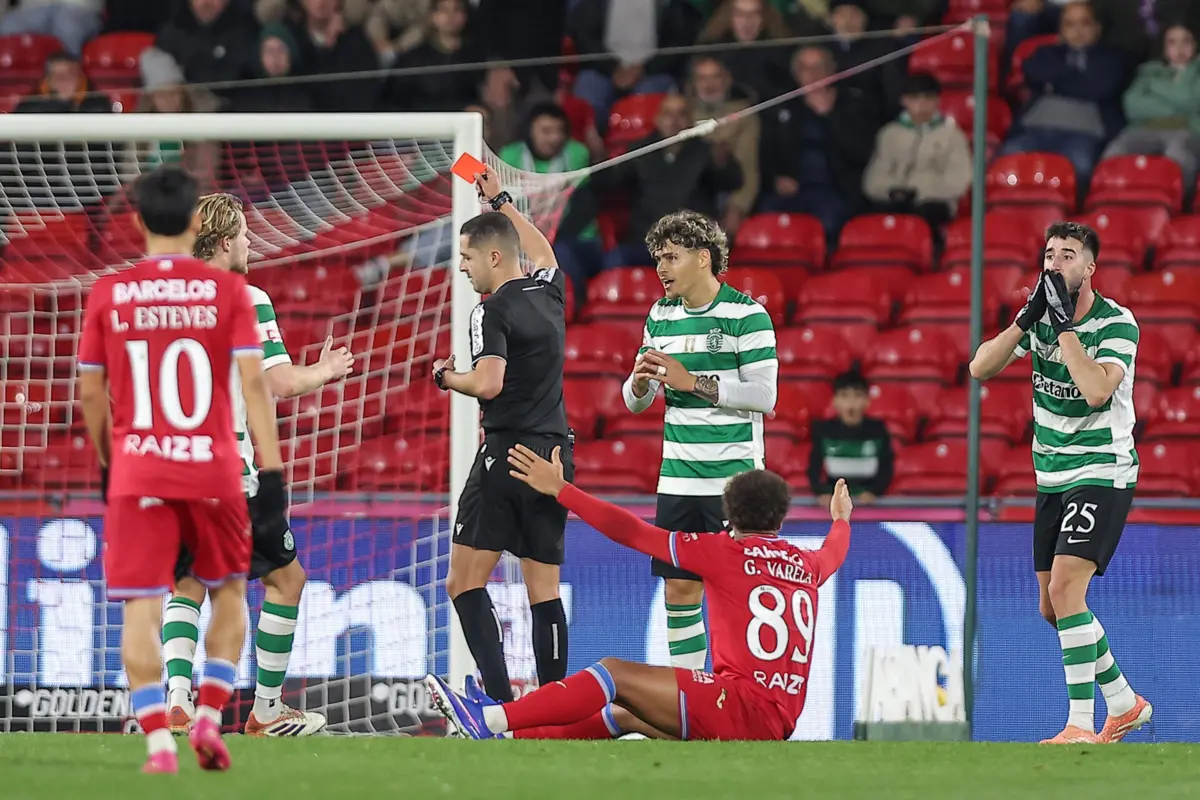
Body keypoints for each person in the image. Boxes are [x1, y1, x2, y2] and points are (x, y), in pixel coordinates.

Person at [76, 165, 284, 773]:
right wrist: (269, 474)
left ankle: (161, 743)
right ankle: (213, 720)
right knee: (229, 594)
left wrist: (110, 462)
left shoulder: (110, 293)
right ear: (197, 222)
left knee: (146, 605)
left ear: (138, 221)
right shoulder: (229, 294)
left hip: (141, 469)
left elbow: (92, 393)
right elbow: (255, 385)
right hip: (215, 468)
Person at [426, 458, 853, 741]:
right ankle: (513, 735)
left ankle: (490, 720)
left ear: (731, 516)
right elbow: (836, 549)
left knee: (614, 674)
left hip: (740, 706)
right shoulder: (805, 563)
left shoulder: (723, 551)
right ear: (779, 516)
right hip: (777, 720)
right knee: (629, 711)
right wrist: (841, 520)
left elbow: (630, 531)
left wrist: (563, 491)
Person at [162, 193, 354, 737]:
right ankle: (266, 711)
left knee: (187, 582)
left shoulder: (166, 301)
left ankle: (177, 697)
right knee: (286, 581)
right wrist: (324, 369)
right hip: (233, 473)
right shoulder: (246, 297)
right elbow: (278, 382)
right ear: (224, 243)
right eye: (245, 236)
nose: (251, 244)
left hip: (177, 467)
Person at [969, 221, 1151, 744]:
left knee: (1067, 588)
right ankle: (1124, 701)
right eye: (1049, 254)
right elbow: (979, 367)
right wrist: (1027, 319)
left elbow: (1095, 390)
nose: (1054, 263)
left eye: (1068, 255)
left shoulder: (1117, 323)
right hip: (1051, 475)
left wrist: (1063, 328)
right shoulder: (1039, 321)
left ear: (1090, 268)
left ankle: (1079, 724)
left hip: (1102, 469)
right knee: (1052, 607)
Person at [433, 168, 572, 702]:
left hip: (505, 457)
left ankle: (499, 704)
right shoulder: (549, 293)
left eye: (467, 258)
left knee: (463, 583)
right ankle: (556, 708)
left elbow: (488, 383)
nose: (463, 268)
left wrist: (448, 378)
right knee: (543, 591)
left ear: (493, 258)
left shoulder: (489, 311)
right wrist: (503, 202)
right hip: (554, 456)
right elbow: (543, 251)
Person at [623, 210, 778, 670]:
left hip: (735, 486)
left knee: (741, 597)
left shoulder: (746, 314)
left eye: (671, 257)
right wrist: (637, 382)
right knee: (680, 590)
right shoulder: (660, 315)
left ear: (703, 259)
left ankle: (745, 697)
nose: (661, 269)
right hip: (677, 482)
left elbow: (765, 397)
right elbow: (637, 402)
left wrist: (692, 382)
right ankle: (690, 697)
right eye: (657, 259)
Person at [808, 370, 894, 504]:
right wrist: (823, 492)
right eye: (844, 396)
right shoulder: (823, 430)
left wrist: (874, 492)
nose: (851, 403)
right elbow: (814, 469)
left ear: (867, 401)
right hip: (834, 503)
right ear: (835, 401)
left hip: (869, 505)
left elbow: (886, 468)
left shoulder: (878, 430)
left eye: (857, 396)